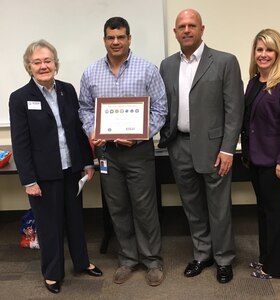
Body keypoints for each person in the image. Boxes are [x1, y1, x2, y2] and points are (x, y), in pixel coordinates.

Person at [78, 17, 167, 286]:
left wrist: (140, 133)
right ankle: (128, 258)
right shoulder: (91, 73)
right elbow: (84, 108)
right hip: (108, 155)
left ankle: (152, 260)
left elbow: (160, 109)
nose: (115, 42)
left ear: (129, 38)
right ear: (104, 39)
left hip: (138, 151)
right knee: (117, 208)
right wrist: (93, 132)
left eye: (121, 37)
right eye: (110, 37)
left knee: (145, 208)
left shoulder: (148, 70)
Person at [9, 39, 102, 294]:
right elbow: (20, 142)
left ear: (55, 63)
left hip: (71, 169)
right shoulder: (19, 98)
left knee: (75, 220)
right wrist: (28, 180)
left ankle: (81, 263)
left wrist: (87, 162)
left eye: (47, 60)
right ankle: (52, 273)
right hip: (43, 174)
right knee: (49, 226)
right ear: (29, 66)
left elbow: (77, 131)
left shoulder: (67, 90)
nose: (43, 66)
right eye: (37, 62)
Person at [158, 9, 244, 284]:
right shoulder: (167, 65)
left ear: (202, 29)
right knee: (192, 207)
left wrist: (228, 148)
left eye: (191, 25)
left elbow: (234, 110)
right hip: (179, 146)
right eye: (181, 26)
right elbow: (164, 105)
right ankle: (203, 253)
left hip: (215, 149)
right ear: (175, 32)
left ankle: (224, 259)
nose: (186, 30)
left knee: (218, 208)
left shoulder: (224, 61)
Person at [241, 29, 280, 279]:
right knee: (264, 211)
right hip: (255, 159)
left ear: (278, 53)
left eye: (269, 50)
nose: (263, 54)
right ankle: (266, 259)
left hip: (274, 162)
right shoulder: (254, 82)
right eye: (259, 49)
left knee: (275, 213)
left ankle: (279, 268)